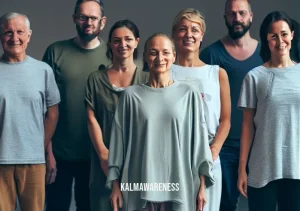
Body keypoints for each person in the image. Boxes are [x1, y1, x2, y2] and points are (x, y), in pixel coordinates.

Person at [106, 33, 215, 211]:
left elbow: (200, 144)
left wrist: (202, 186)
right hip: (138, 185)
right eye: (153, 52)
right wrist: (115, 186)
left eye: (165, 52)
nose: (160, 58)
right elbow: (118, 145)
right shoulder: (130, 96)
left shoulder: (189, 94)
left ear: (174, 56)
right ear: (146, 57)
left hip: (180, 186)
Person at [42, 0, 110, 210]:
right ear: (74, 18)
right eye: (83, 17)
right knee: (56, 206)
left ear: (103, 21)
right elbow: (44, 106)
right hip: (59, 153)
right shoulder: (56, 51)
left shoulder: (112, 54)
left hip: (95, 154)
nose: (88, 22)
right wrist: (47, 151)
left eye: (93, 18)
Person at [200, 1, 263, 210]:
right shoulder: (210, 55)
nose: (237, 18)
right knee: (224, 204)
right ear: (225, 17)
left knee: (260, 202)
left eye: (242, 13)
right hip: (224, 145)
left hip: (260, 144)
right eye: (232, 14)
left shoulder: (266, 54)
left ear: (251, 16)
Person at [238, 11, 300, 211]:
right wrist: (242, 169)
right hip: (262, 168)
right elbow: (247, 127)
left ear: (292, 34)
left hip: (297, 168)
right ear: (266, 40)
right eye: (273, 36)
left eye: (283, 34)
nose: (280, 41)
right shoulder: (254, 77)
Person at [85, 19, 149, 211]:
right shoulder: (95, 79)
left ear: (137, 41)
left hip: (139, 162)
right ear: (110, 44)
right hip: (103, 164)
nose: (122, 45)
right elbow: (91, 118)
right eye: (116, 40)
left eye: (128, 39)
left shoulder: (147, 77)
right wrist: (104, 155)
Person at [171, 8, 231, 211]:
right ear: (174, 34)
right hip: (173, 157)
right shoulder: (164, 71)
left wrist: (213, 151)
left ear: (202, 35)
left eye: (194, 29)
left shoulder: (217, 73)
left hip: (208, 156)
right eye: (183, 29)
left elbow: (225, 120)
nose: (189, 34)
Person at [0, 12, 60, 211]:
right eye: (8, 32)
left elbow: (52, 113)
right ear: (1, 36)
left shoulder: (43, 70)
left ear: (29, 35)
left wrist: (40, 146)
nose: (14, 38)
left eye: (19, 32)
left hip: (33, 161)